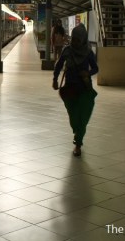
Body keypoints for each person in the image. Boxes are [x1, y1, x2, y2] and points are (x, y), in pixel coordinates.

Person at [52, 23, 98, 157]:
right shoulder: (67, 50)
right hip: (70, 90)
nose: (75, 42)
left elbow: (96, 68)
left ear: (83, 39)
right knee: (73, 118)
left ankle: (78, 143)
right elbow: (58, 65)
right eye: (74, 39)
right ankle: (77, 132)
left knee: (82, 118)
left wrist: (87, 73)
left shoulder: (88, 53)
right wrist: (55, 79)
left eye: (78, 40)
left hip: (84, 90)